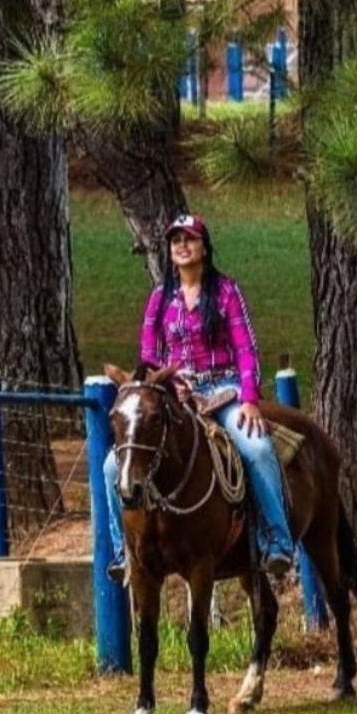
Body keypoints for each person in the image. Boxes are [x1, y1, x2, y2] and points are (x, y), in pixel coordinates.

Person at [104, 213, 296, 581]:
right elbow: (148, 356)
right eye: (176, 240)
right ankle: (122, 552)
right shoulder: (160, 299)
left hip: (224, 391)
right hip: (176, 395)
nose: (182, 245)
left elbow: (246, 349)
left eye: (190, 239)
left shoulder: (226, 292)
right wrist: (167, 385)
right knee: (112, 466)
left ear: (204, 248)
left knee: (256, 449)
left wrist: (251, 398)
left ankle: (277, 542)